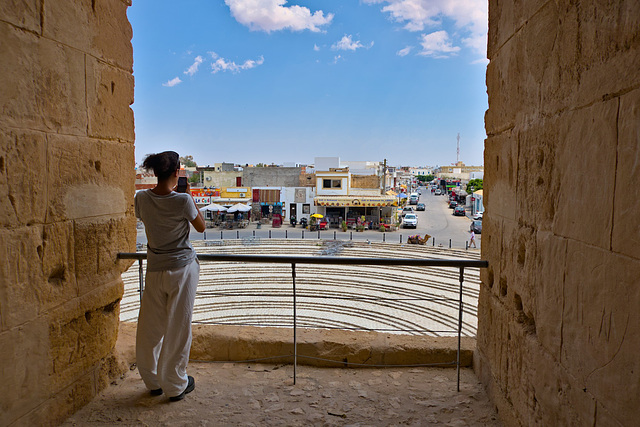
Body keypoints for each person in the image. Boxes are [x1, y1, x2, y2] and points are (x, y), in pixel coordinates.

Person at [134, 151, 206, 402]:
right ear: (177, 172)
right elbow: (201, 227)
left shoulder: (141, 198)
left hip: (155, 269)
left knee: (149, 326)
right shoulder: (183, 200)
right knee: (178, 327)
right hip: (182, 269)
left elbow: (145, 217)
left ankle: (152, 379)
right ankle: (175, 384)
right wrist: (189, 198)